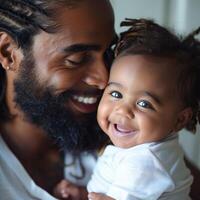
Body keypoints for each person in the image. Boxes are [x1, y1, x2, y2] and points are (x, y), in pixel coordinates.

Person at [0, 0, 115, 199]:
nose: (104, 80)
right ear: (8, 52)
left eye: (109, 52)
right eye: (76, 60)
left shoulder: (126, 136)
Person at [87, 18, 200, 200]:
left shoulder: (146, 162)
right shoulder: (145, 147)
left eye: (144, 104)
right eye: (116, 94)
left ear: (180, 119)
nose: (123, 110)